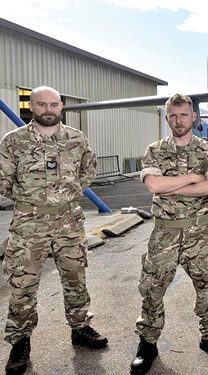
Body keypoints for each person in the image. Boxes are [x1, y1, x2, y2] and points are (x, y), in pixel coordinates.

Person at [0, 86, 106, 375]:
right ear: (31, 107)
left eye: (53, 104)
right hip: (28, 225)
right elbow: (3, 180)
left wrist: (68, 194)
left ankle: (80, 327)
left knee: (75, 277)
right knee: (22, 285)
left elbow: (88, 170)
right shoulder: (14, 141)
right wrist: (31, 200)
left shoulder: (76, 139)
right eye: (41, 104)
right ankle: (20, 341)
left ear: (61, 107)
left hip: (69, 222)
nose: (48, 109)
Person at [131, 94, 208, 375]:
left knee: (207, 288)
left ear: (193, 117)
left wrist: (169, 187)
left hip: (198, 232)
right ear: (167, 118)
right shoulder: (155, 150)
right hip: (164, 234)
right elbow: (152, 186)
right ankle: (147, 344)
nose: (178, 120)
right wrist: (191, 178)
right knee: (151, 290)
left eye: (184, 115)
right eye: (173, 115)